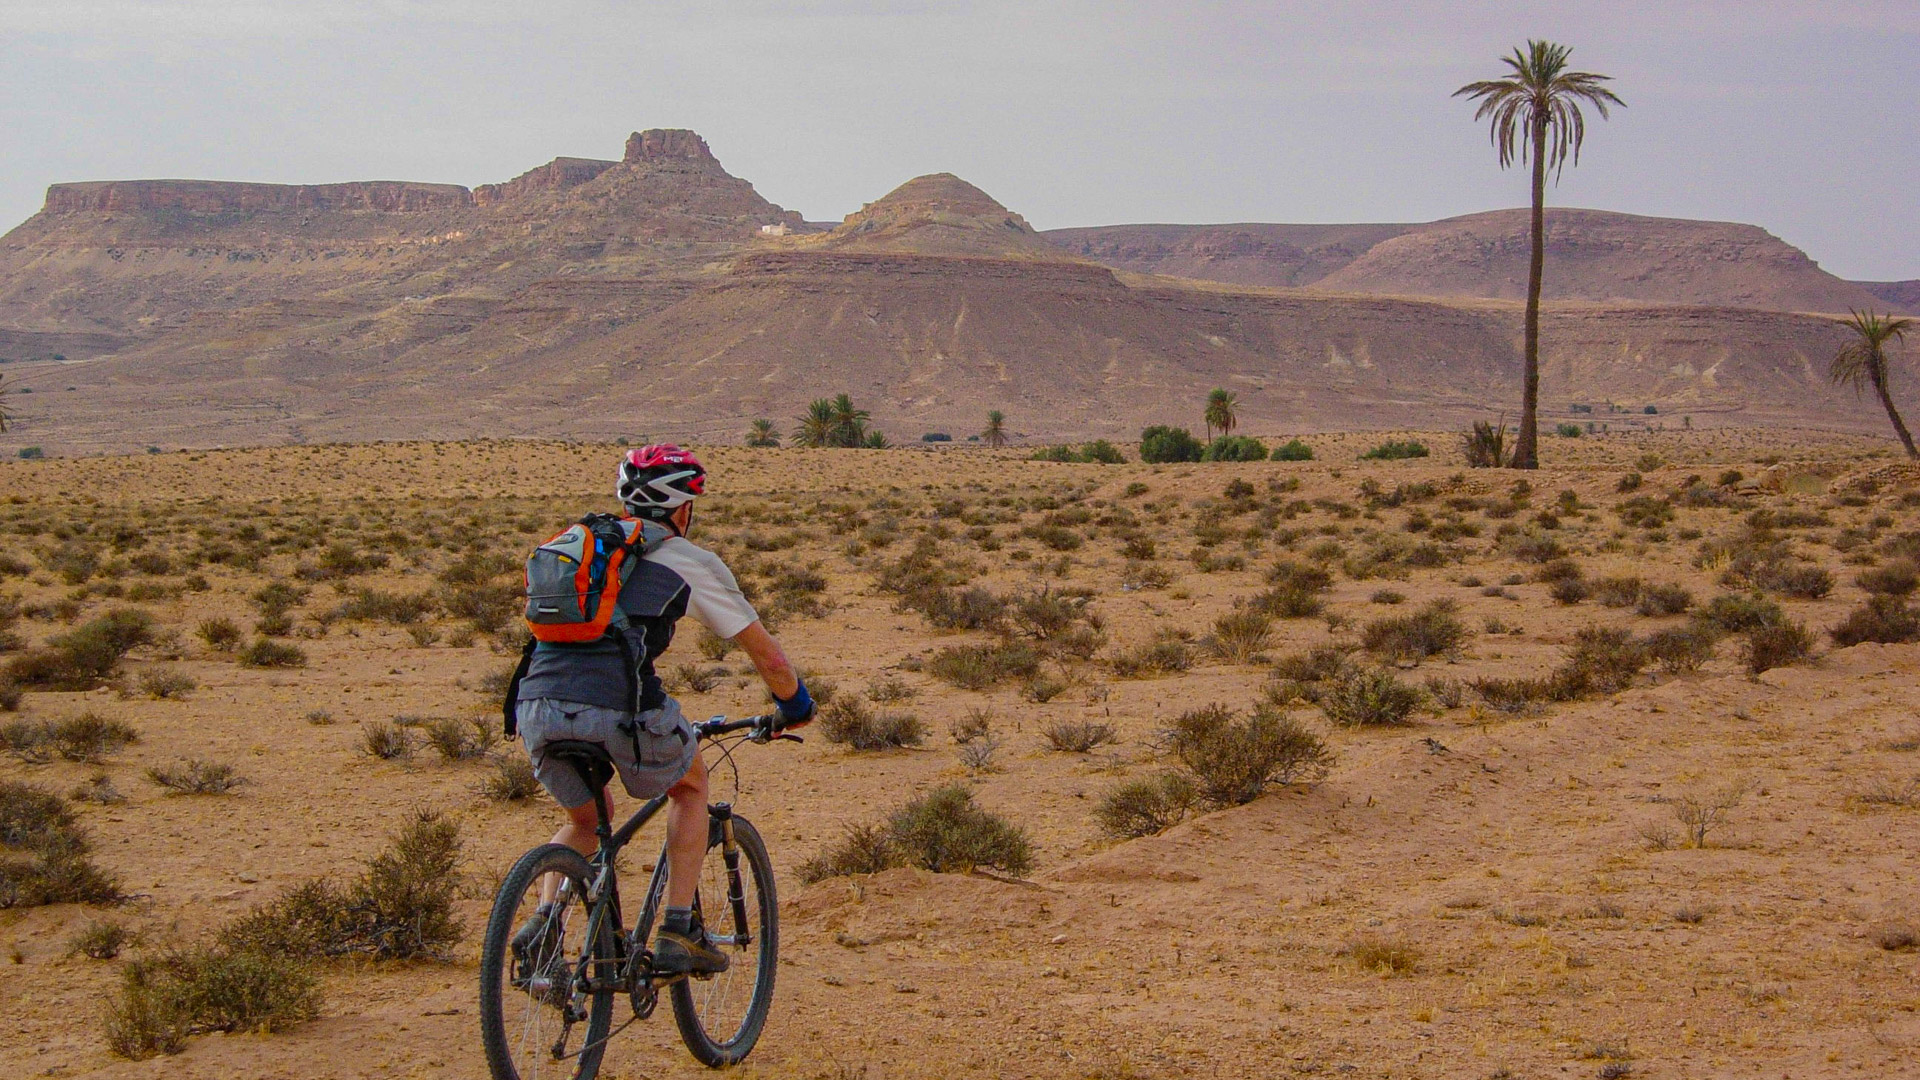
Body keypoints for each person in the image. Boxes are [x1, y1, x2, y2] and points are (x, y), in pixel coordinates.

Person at [510, 444, 814, 975]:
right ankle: (679, 928)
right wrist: (795, 704)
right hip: (616, 705)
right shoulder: (687, 560)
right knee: (691, 783)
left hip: (536, 703)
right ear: (681, 508)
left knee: (587, 817)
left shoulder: (579, 547)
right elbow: (768, 654)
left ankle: (545, 920)